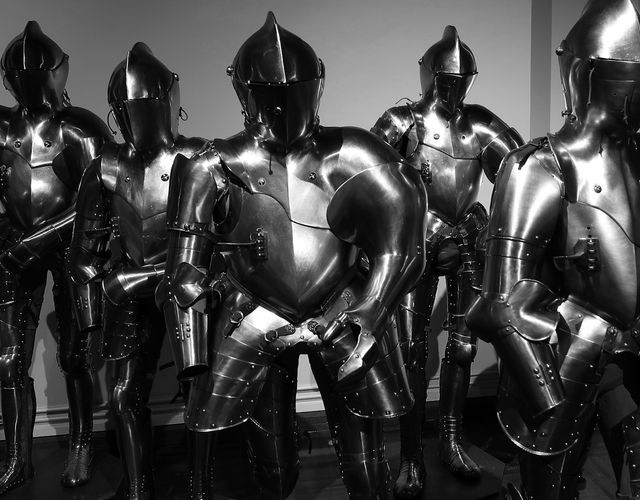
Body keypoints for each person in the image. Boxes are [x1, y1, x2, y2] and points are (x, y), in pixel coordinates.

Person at [160, 13, 426, 499]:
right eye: (271, 93)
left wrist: (374, 306)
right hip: (253, 315)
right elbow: (183, 275)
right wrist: (194, 361)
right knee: (273, 469)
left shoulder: (358, 154)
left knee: (366, 466)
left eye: (294, 90)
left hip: (343, 310)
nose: (282, 102)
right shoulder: (211, 166)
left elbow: (402, 245)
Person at [465, 0, 640, 497]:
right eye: (624, 78)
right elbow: (501, 304)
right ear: (583, 73)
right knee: (550, 486)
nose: (632, 95)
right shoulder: (537, 166)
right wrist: (543, 394)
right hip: (564, 347)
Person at [371, 26, 523, 497]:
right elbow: (372, 183)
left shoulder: (481, 125)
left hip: (468, 242)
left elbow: (520, 176)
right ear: (427, 74)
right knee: (412, 352)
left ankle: (452, 441)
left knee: (461, 348)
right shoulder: (402, 121)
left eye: (460, 81)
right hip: (416, 245)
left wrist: (491, 227)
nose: (452, 89)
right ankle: (410, 456)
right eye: (445, 79)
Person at [68, 43, 206, 499]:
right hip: (127, 290)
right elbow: (83, 255)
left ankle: (199, 484)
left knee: (198, 389)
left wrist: (139, 279)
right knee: (125, 395)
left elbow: (218, 243)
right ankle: (139, 485)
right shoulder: (106, 167)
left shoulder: (197, 158)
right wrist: (91, 320)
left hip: (185, 286)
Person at [0, 21, 110, 492]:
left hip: (71, 248)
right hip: (11, 248)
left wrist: (39, 239)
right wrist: (10, 237)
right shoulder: (2, 128)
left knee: (75, 355)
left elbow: (99, 202)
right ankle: (17, 457)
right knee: (7, 360)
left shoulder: (79, 127)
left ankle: (81, 444)